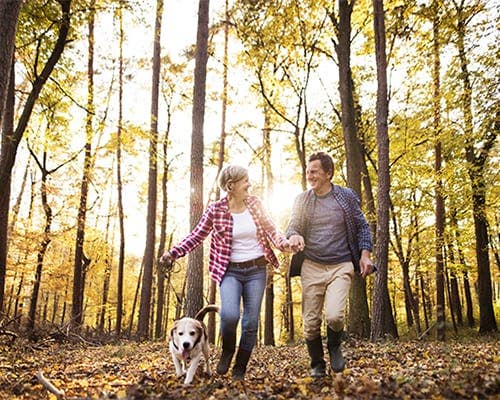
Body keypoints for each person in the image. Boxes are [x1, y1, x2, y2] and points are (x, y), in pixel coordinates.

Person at [160, 165, 289, 380]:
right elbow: (196, 236)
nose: (249, 184)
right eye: (245, 181)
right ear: (231, 186)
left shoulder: (255, 204)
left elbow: (272, 229)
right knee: (229, 315)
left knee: (250, 322)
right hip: (229, 271)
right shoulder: (215, 210)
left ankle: (240, 366)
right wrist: (174, 253)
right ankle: (228, 350)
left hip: (257, 269)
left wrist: (285, 244)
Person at [286, 151, 374, 377]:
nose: (310, 176)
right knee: (311, 322)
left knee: (335, 315)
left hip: (341, 264)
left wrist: (365, 255)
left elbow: (363, 226)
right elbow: (293, 225)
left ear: (328, 173)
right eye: (308, 172)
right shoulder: (302, 199)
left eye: (314, 172)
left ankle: (334, 345)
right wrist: (294, 236)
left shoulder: (345, 197)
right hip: (312, 265)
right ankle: (317, 362)